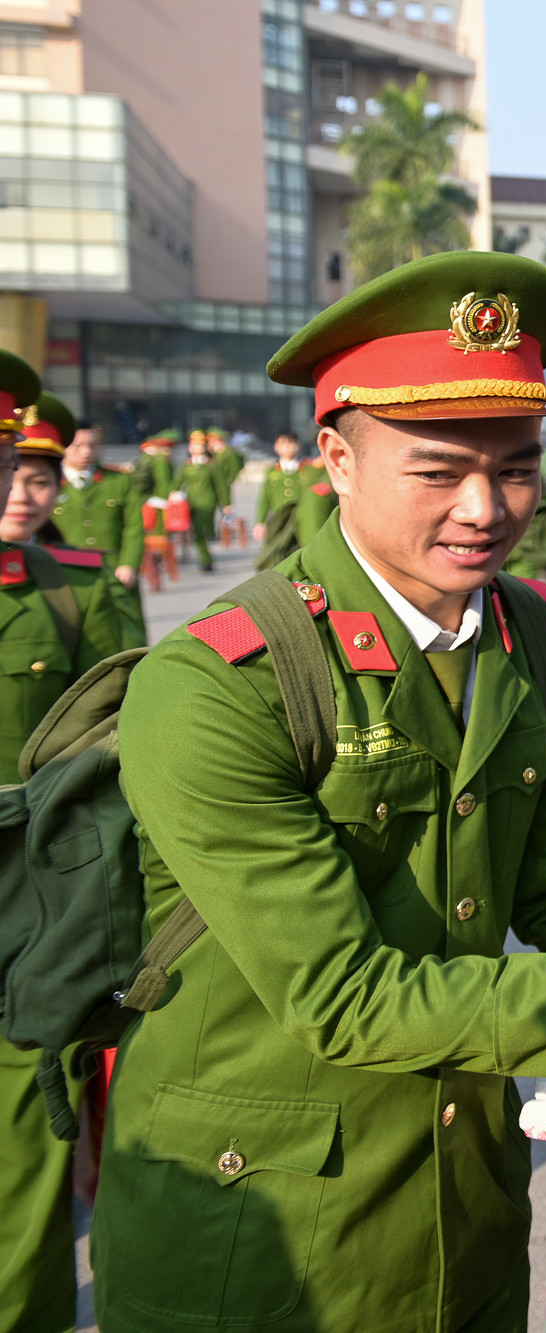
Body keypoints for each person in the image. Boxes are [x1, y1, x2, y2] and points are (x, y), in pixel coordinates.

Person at [90, 251, 546, 1333]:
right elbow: (343, 995)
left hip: (460, 1208)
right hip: (262, 1238)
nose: (485, 508)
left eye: (518, 469)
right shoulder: (218, 679)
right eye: (436, 470)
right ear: (336, 459)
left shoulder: (527, 631)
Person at [0, 363, 147, 1333]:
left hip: (28, 913)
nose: (19, 487)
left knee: (25, 1179)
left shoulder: (72, 591)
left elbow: (122, 747)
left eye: (23, 467)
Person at [51, 412, 144, 591]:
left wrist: (129, 563)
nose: (86, 452)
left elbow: (134, 526)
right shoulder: (50, 483)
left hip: (114, 574)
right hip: (65, 577)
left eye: (92, 445)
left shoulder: (119, 480)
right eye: (77, 446)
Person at [174, 431, 225, 572]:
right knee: (198, 532)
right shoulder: (186, 467)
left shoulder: (212, 466)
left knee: (201, 531)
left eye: (200, 445)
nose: (196, 448)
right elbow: (176, 484)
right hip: (190, 503)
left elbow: (221, 486)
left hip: (208, 502)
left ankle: (205, 558)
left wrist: (226, 504)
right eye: (194, 445)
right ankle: (205, 559)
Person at [254, 428, 306, 544]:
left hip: (301, 519)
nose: (288, 447)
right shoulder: (272, 471)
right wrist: (260, 522)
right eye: (283, 444)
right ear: (276, 447)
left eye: (291, 443)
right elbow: (265, 498)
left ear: (298, 446)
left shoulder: (307, 469)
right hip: (278, 520)